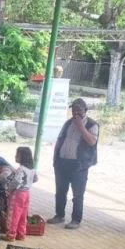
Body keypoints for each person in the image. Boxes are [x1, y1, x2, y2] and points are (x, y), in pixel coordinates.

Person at [48, 98, 99, 230]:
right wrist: (55, 160)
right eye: (73, 109)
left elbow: (92, 142)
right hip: (62, 163)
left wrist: (81, 126)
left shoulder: (92, 125)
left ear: (85, 111)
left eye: (79, 110)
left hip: (79, 165)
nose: (75, 112)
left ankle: (76, 219)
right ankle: (59, 215)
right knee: (60, 191)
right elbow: (60, 140)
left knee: (77, 194)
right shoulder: (67, 123)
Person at [2, 146, 38, 242]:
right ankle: (21, 234)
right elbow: (35, 179)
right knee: (23, 215)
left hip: (18, 194)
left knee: (13, 215)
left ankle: (10, 235)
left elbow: (16, 181)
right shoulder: (32, 169)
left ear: (23, 157)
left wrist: (9, 189)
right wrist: (27, 183)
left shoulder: (21, 169)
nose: (15, 156)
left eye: (17, 155)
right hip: (27, 193)